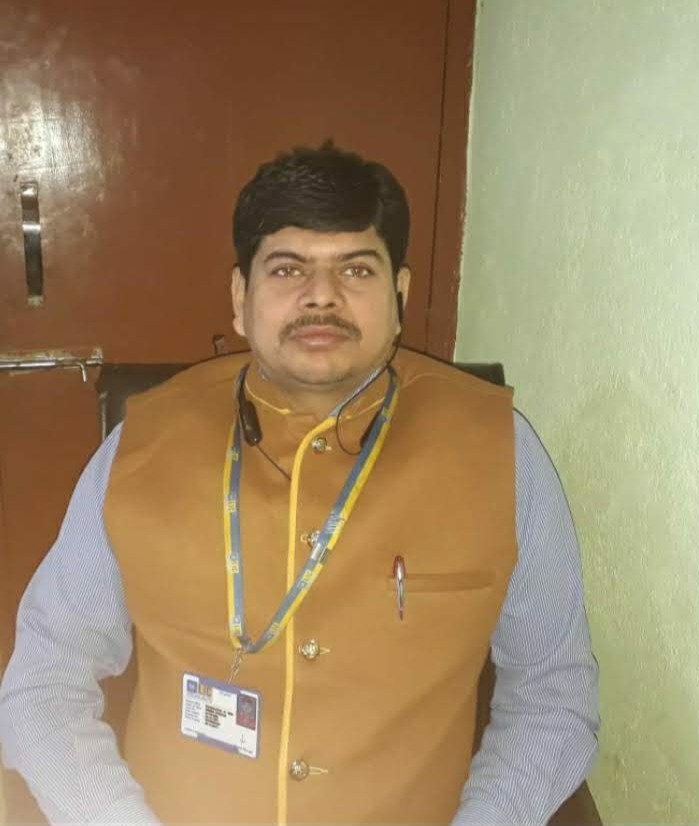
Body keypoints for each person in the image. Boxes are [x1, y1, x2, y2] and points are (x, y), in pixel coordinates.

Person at [0, 143, 599, 826]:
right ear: (240, 297)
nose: (322, 296)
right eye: (287, 269)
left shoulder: (501, 454)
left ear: (399, 298)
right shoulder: (139, 449)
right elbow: (44, 682)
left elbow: (554, 694)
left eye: (356, 269)